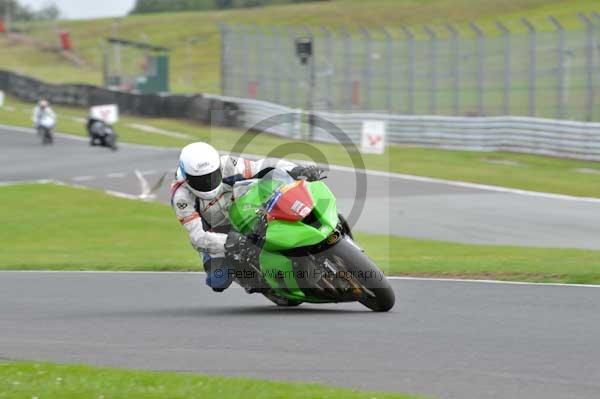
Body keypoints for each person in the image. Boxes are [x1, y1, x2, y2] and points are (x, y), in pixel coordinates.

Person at [171, 142, 324, 292]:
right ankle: (255, 279)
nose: (208, 182)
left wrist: (296, 169)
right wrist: (229, 241)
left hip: (248, 210)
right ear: (186, 178)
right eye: (201, 180)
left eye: (212, 176)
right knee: (218, 280)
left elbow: (263, 166)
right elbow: (198, 237)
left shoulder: (228, 164)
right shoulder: (181, 197)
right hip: (218, 233)